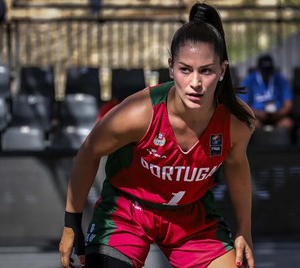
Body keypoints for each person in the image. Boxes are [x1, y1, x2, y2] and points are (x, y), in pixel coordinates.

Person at [59, 3, 255, 268]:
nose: (195, 83)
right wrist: (71, 222)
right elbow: (89, 150)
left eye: (206, 70)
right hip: (127, 212)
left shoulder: (237, 121)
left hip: (192, 217)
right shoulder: (137, 114)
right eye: (185, 70)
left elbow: (236, 165)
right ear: (171, 67)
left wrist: (244, 229)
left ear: (222, 70)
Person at [238, 54, 294, 129]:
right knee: (250, 124)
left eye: (268, 70)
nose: (266, 73)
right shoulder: (248, 81)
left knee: (287, 123)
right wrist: (258, 113)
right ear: (258, 69)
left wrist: (279, 113)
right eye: (264, 70)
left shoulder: (281, 80)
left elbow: (288, 104)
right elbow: (243, 105)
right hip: (256, 116)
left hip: (277, 116)